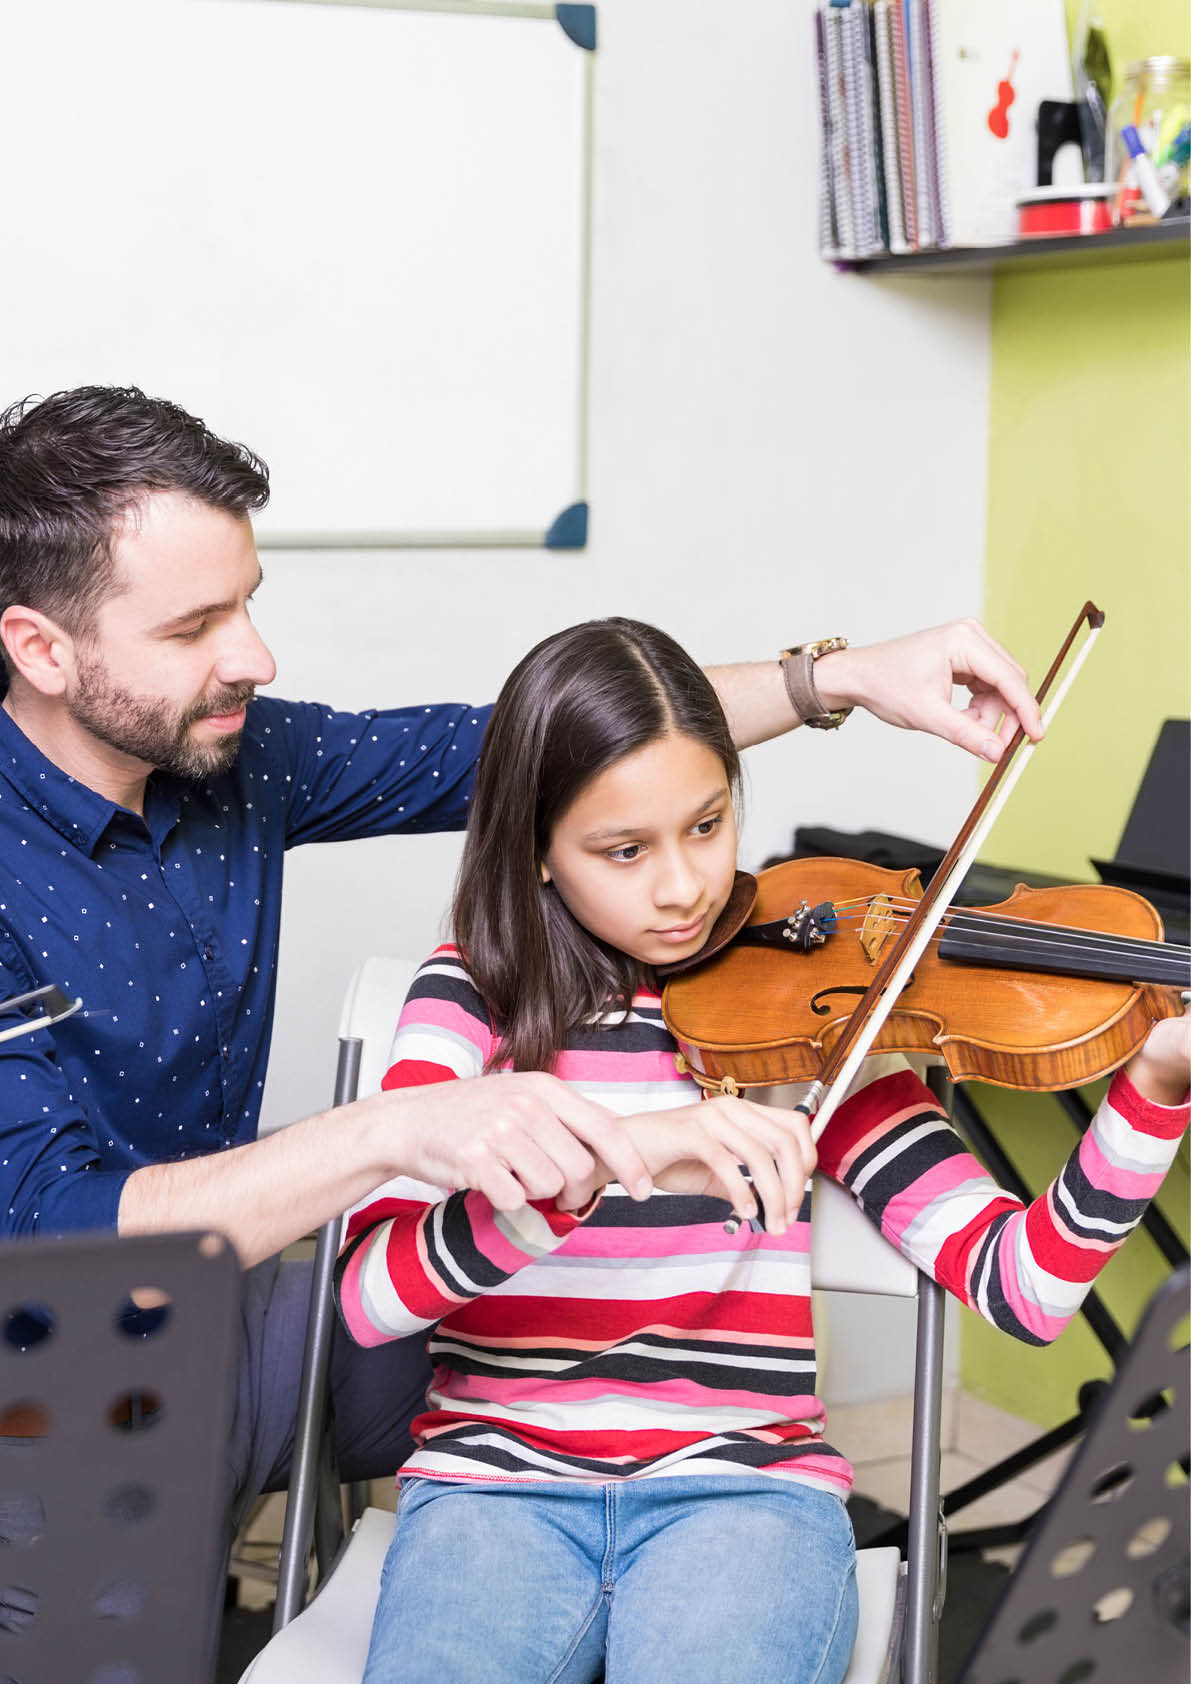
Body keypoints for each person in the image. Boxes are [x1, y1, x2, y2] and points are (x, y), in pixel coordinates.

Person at [0, 383, 1044, 1561]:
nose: (255, 656)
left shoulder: (239, 750)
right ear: (42, 648)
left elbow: (533, 744)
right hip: (46, 1366)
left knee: (532, 1339)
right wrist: (394, 1130)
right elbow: (53, 1238)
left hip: (225, 1307)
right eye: (195, 628)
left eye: (248, 603)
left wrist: (833, 680)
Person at [337, 617, 1189, 1684]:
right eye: (624, 851)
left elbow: (1023, 1285)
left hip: (744, 1493)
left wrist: (1152, 1091)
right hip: (494, 1488)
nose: (684, 886)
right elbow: (368, 1298)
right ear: (537, 849)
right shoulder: (471, 995)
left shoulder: (806, 1010)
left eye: (707, 824)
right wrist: (609, 1157)